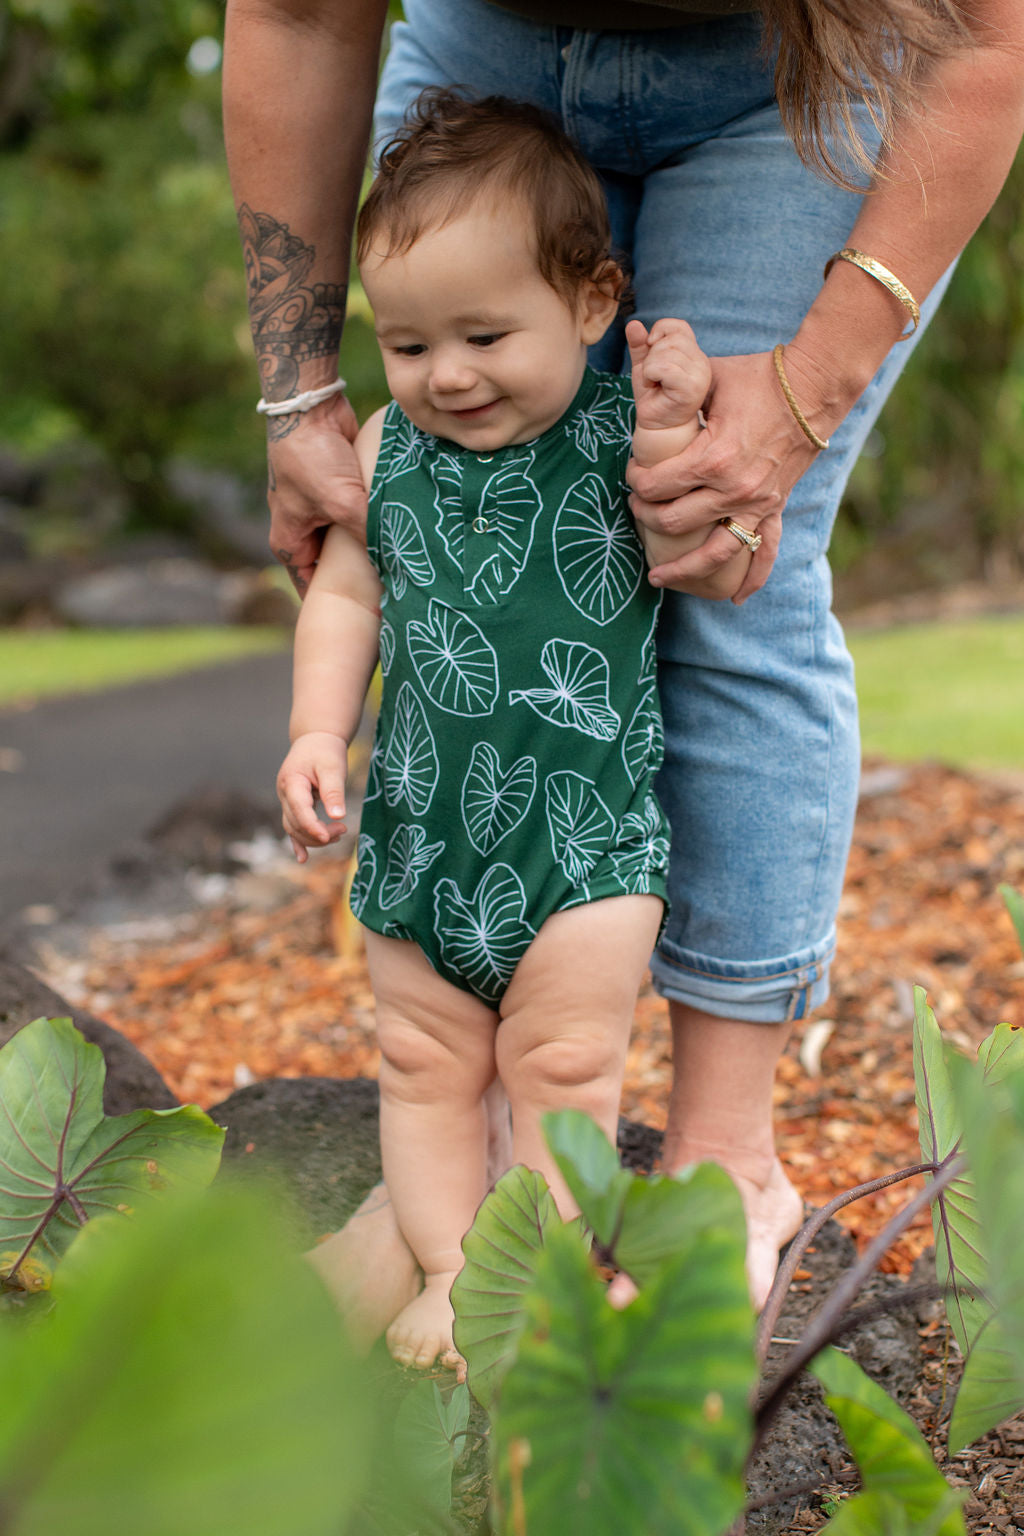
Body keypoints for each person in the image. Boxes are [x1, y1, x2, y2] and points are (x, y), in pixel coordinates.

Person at [224, 0, 1024, 1315]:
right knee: (463, 488)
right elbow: (301, 13)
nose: (440, 368)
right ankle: (458, 1189)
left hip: (790, 87)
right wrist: (302, 389)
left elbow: (986, 38)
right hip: (484, 64)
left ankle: (724, 1162)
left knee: (722, 555)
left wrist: (807, 388)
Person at [275, 90, 734, 1370]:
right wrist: (318, 731)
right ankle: (446, 1268)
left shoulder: (616, 442)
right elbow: (346, 596)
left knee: (567, 1069)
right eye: (409, 345)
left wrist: (680, 405)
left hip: (580, 847)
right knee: (419, 1068)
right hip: (424, 845)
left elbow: (685, 536)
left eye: (485, 333)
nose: (449, 375)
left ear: (592, 307)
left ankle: (536, 1278)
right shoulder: (387, 449)